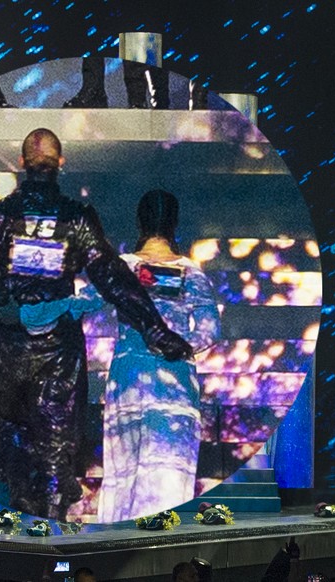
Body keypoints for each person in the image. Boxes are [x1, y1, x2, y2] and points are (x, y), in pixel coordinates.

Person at [0, 128, 192, 520]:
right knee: (52, 441)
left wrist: (18, 308)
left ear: (22, 163)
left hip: (14, 345)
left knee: (20, 437)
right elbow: (110, 276)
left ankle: (32, 534)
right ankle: (48, 531)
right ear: (61, 164)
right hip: (52, 348)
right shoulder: (73, 218)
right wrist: (154, 327)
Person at [98, 189, 220, 522]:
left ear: (139, 220)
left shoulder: (121, 267)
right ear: (175, 224)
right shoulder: (192, 272)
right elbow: (209, 331)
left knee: (124, 472)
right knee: (168, 474)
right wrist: (175, 347)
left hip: (129, 380)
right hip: (174, 383)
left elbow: (88, 306)